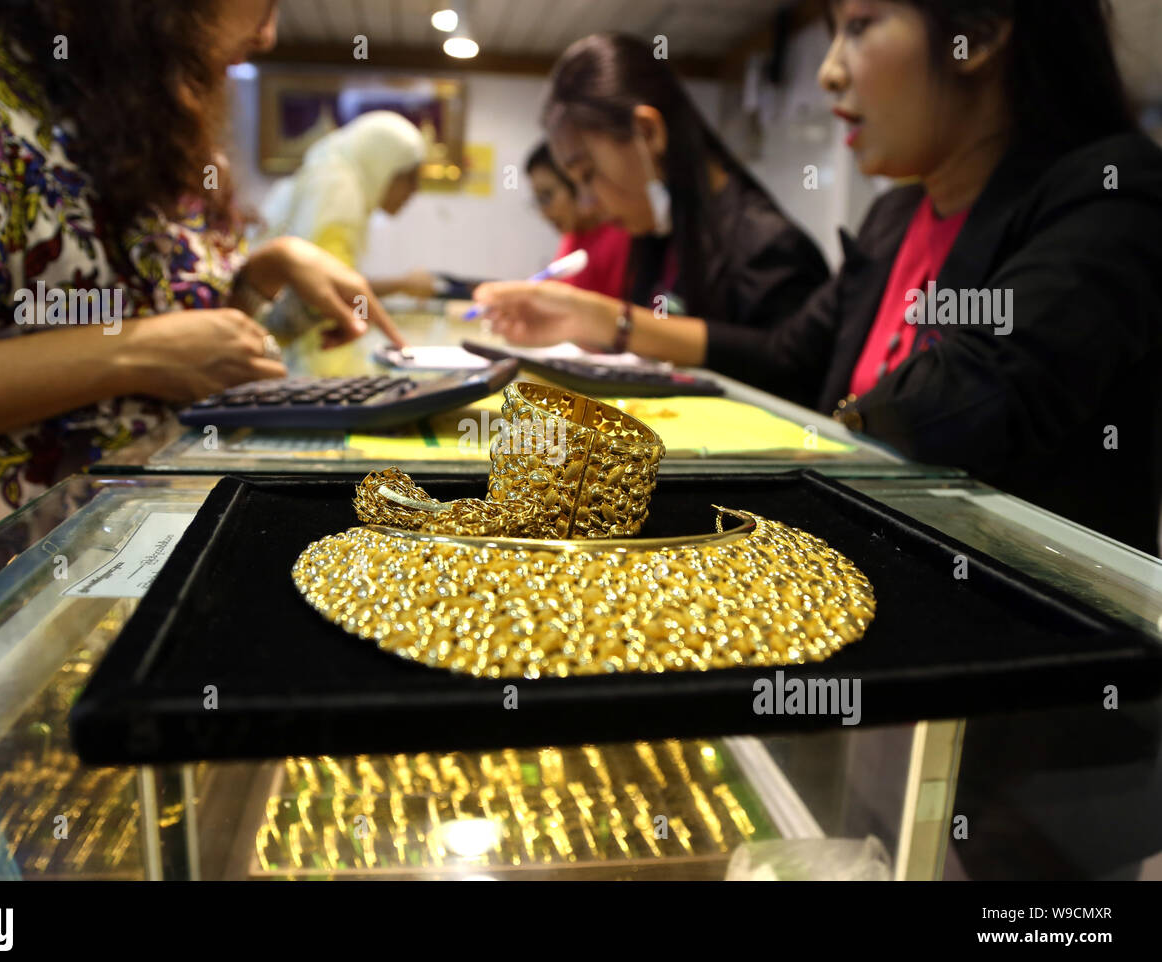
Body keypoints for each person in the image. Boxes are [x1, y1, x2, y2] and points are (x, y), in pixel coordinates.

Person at [479, 5, 1162, 557]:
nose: (830, 72)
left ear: (978, 35)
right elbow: (787, 354)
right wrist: (606, 319)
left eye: (859, 27)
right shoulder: (895, 216)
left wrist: (825, 432)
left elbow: (985, 387)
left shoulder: (1109, 190)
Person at [0, 0, 405, 598]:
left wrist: (264, 272)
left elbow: (185, 346)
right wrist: (130, 352)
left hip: (131, 554)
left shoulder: (137, 101)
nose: (270, 33)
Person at [475, 32, 831, 364]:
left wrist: (612, 323)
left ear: (647, 132)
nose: (587, 204)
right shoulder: (659, 238)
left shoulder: (769, 249)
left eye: (588, 175)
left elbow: (784, 367)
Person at [258, 111, 438, 298]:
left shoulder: (337, 178)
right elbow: (334, 288)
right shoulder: (339, 192)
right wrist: (402, 284)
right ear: (382, 166)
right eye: (408, 177)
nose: (414, 191)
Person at [525, 142, 631, 299]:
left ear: (577, 183)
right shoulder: (573, 237)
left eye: (546, 197)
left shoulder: (619, 237)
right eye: (538, 201)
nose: (543, 213)